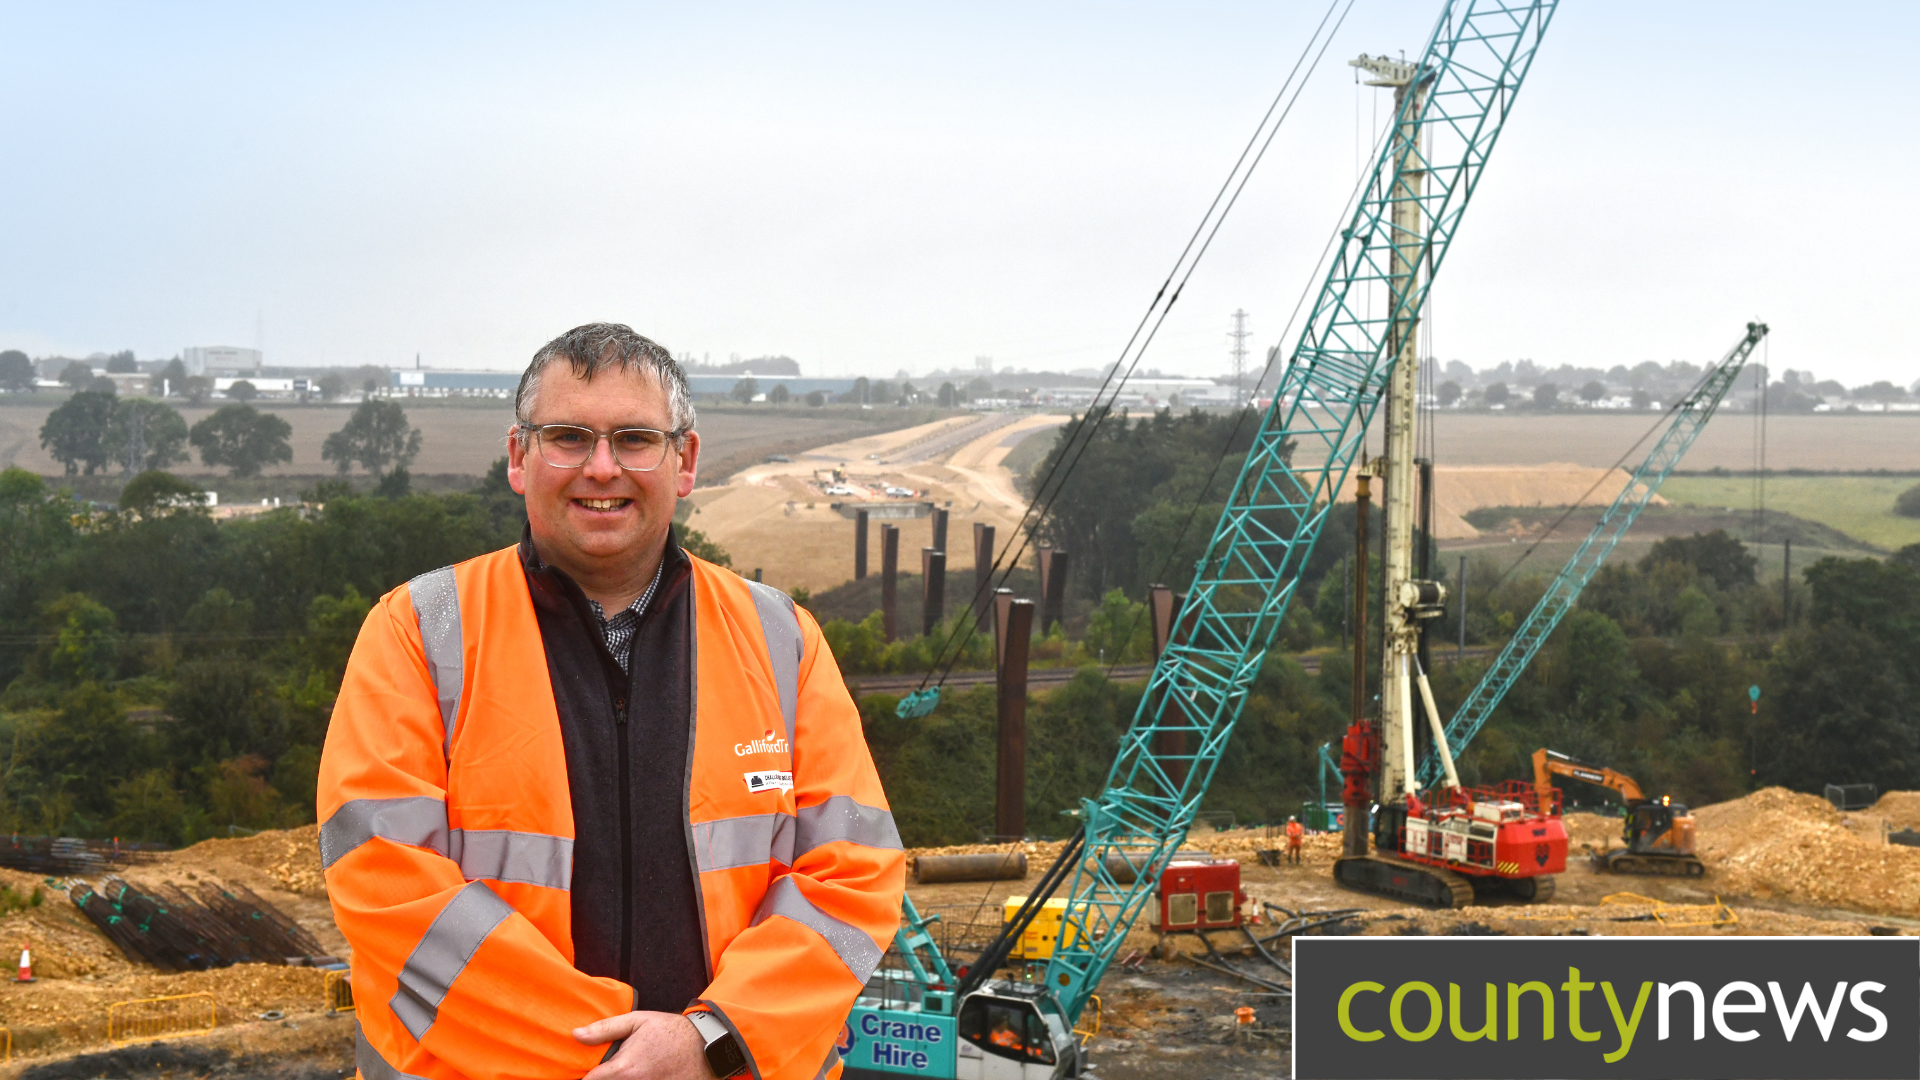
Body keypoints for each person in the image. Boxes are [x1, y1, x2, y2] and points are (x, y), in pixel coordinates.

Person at [318, 324, 905, 1080]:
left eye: (634, 439)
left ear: (684, 461)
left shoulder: (781, 639)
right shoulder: (419, 631)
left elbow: (851, 876)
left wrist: (711, 1042)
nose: (601, 468)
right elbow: (384, 880)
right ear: (517, 457)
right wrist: (613, 1059)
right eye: (567, 437)